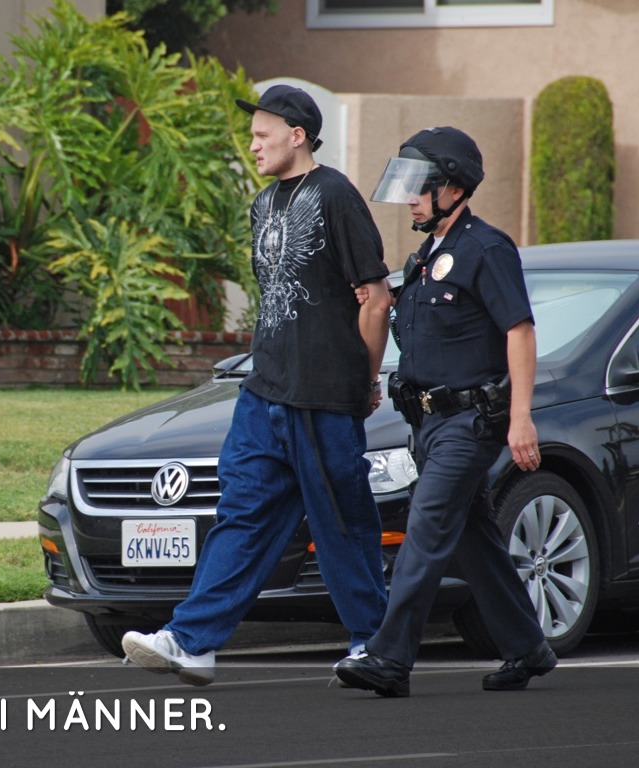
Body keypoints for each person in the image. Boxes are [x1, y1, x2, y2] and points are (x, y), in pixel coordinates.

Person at [121, 84, 393, 686]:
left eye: (262, 135)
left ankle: (376, 647)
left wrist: (365, 379)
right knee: (241, 515)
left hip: (323, 394)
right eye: (251, 136)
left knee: (341, 522)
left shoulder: (336, 195)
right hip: (263, 390)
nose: (253, 146)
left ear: (297, 136)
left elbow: (376, 299)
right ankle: (191, 641)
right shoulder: (262, 203)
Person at [334, 126, 556, 697]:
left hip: (470, 422)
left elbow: (520, 331)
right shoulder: (425, 257)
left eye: (420, 186)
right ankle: (527, 646)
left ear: (453, 188)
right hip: (427, 424)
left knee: (426, 527)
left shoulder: (486, 249)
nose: (410, 199)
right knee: (471, 536)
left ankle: (389, 657)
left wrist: (522, 417)